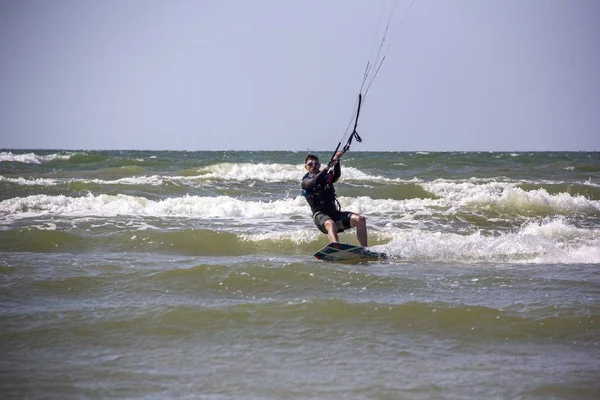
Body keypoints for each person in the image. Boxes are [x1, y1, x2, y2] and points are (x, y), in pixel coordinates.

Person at [301, 153, 368, 247]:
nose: (314, 166)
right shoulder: (305, 182)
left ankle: (364, 250)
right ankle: (336, 248)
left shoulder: (326, 178)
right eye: (310, 164)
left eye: (316, 164)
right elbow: (314, 181)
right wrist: (327, 168)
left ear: (319, 165)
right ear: (306, 167)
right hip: (320, 216)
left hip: (335, 214)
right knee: (331, 224)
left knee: (361, 220)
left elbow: (337, 175)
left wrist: (337, 161)